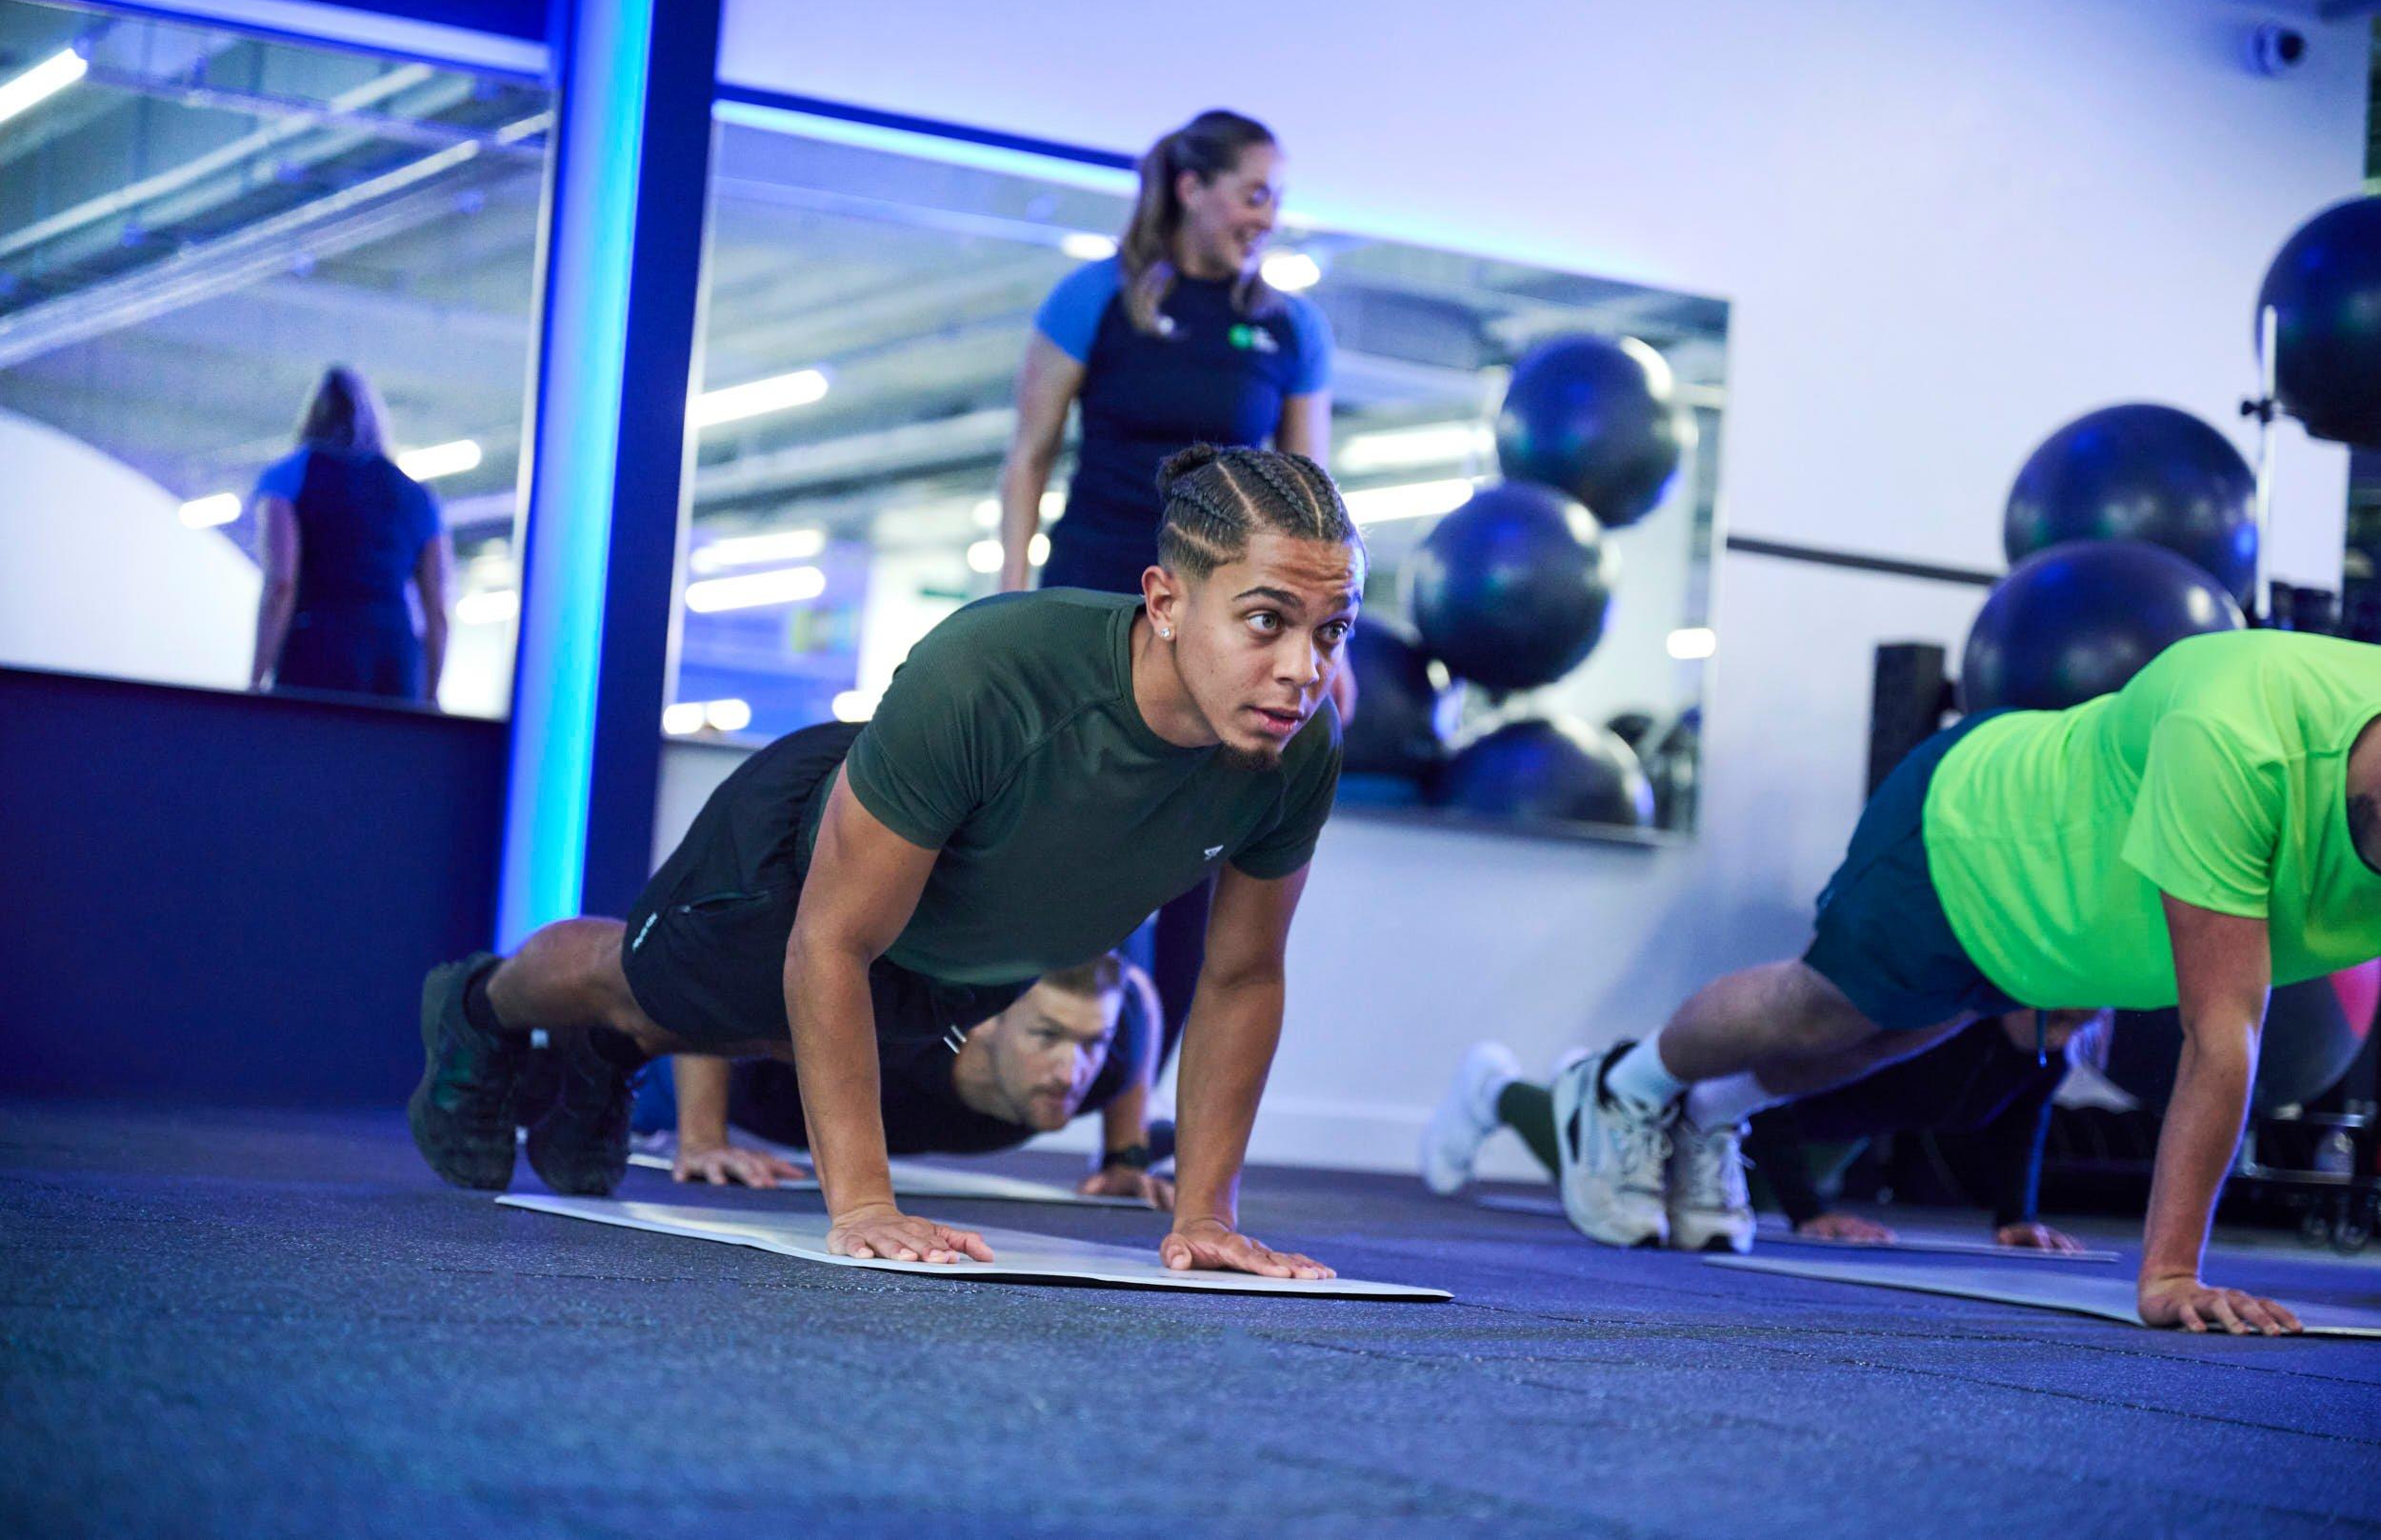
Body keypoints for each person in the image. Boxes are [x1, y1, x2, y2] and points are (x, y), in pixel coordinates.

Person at [408, 443, 1359, 1278]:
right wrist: (863, 1202)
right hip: (794, 862)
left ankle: (604, 1055)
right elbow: (827, 940)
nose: (1302, 669)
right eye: (1265, 619)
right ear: (1164, 600)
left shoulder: (1294, 750)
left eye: (1331, 629)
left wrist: (1207, 1214)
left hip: (949, 961)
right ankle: (481, 1003)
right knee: (646, 980)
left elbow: (1241, 974)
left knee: (763, 1032)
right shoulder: (997, 669)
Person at [1557, 629, 2381, 1333]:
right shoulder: (2240, 731)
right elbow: (2221, 1030)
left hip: (2047, 944)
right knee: (1817, 1010)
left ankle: (1706, 1113)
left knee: (1880, 1042)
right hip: (1973, 832)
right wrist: (2171, 1275)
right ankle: (1619, 1086)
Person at [994, 109, 1343, 1067]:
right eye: (1253, 192)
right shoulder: (1093, 299)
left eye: (1275, 196)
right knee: (1075, 842)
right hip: (1094, 597)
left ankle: (1136, 1117)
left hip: (1219, 623)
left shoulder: (1286, 327)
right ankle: (1018, 1064)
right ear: (1193, 187)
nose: (1266, 215)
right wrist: (1012, 591)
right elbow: (1029, 456)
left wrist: (1326, 643)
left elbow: (1310, 497)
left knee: (1195, 858)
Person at [1421, 1009, 2103, 1250]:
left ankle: (1586, 1079)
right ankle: (1500, 1088)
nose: (2066, 1037)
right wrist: (1810, 1214)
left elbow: (2023, 1120)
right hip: (1753, 1104)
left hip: (1826, 1130)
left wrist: (2015, 1216)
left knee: (1753, 1208)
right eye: (2061, 1016)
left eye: (2084, 1021)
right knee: (1609, 1169)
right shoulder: (1939, 1015)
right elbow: (1770, 1088)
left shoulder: (2043, 1049)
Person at [638, 955, 1179, 1210]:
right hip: (708, 1073)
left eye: (1091, 1042)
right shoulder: (896, 1023)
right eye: (1046, 1036)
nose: (1071, 1072)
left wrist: (1123, 1157)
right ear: (986, 1016)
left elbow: (1138, 999)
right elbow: (712, 986)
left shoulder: (1106, 1051)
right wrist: (703, 1137)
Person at [248, 366, 450, 704]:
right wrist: (431, 695)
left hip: (317, 652)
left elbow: (281, 584)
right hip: (394, 659)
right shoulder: (417, 495)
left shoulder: (288, 477)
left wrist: (255, 680)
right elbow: (438, 608)